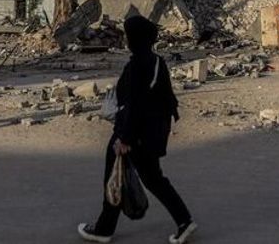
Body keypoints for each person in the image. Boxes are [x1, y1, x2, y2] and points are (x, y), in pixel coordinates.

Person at [78, 15, 197, 244]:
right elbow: (166, 100)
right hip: (151, 133)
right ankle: (184, 220)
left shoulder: (136, 66)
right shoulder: (156, 61)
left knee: (114, 177)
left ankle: (103, 230)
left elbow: (135, 104)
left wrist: (124, 138)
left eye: (128, 35)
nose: (126, 39)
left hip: (133, 133)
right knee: (153, 179)